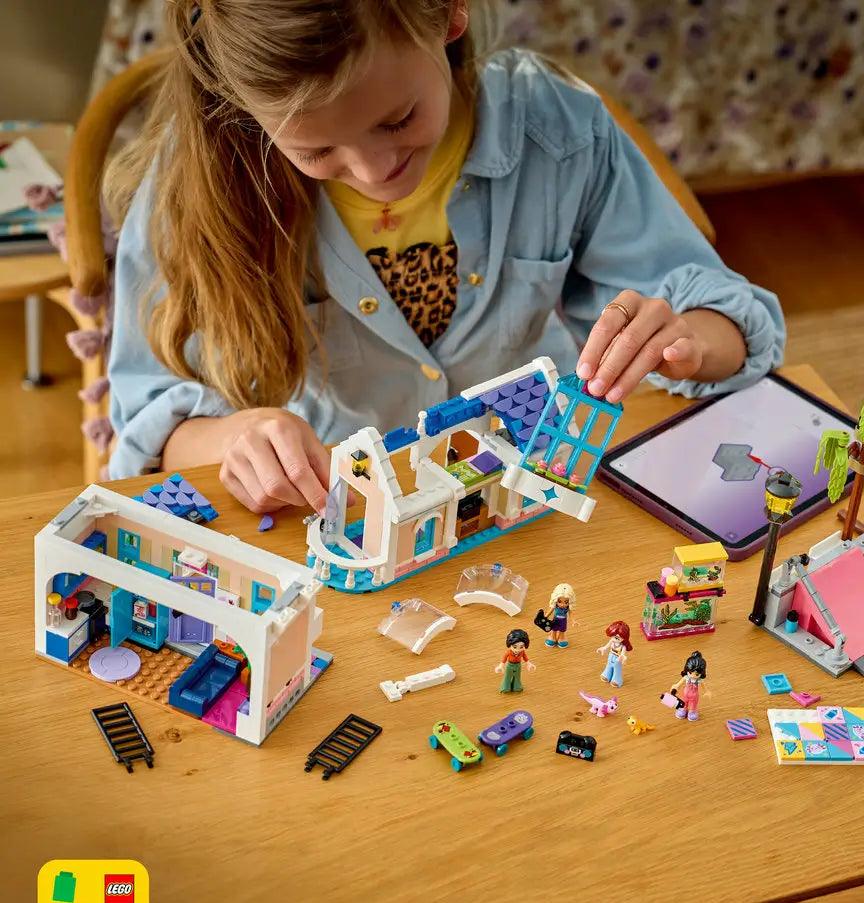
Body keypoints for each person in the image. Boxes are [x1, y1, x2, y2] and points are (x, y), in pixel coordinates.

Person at [105, 0, 785, 515]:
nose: (373, 171)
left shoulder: (558, 130)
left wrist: (692, 338)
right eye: (315, 152)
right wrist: (236, 437)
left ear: (448, 14)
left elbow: (727, 323)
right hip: (336, 513)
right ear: (246, 112)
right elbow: (146, 426)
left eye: (397, 120)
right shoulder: (194, 190)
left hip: (526, 495)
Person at [495, 629, 535, 693]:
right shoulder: (509, 652)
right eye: (515, 647)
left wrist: (529, 663)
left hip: (518, 665)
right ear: (510, 645)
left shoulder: (522, 652)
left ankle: (517, 687)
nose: (518, 650)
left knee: (517, 676)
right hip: (510, 665)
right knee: (507, 676)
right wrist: (501, 665)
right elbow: (504, 658)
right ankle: (505, 687)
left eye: (521, 647)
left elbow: (525, 657)